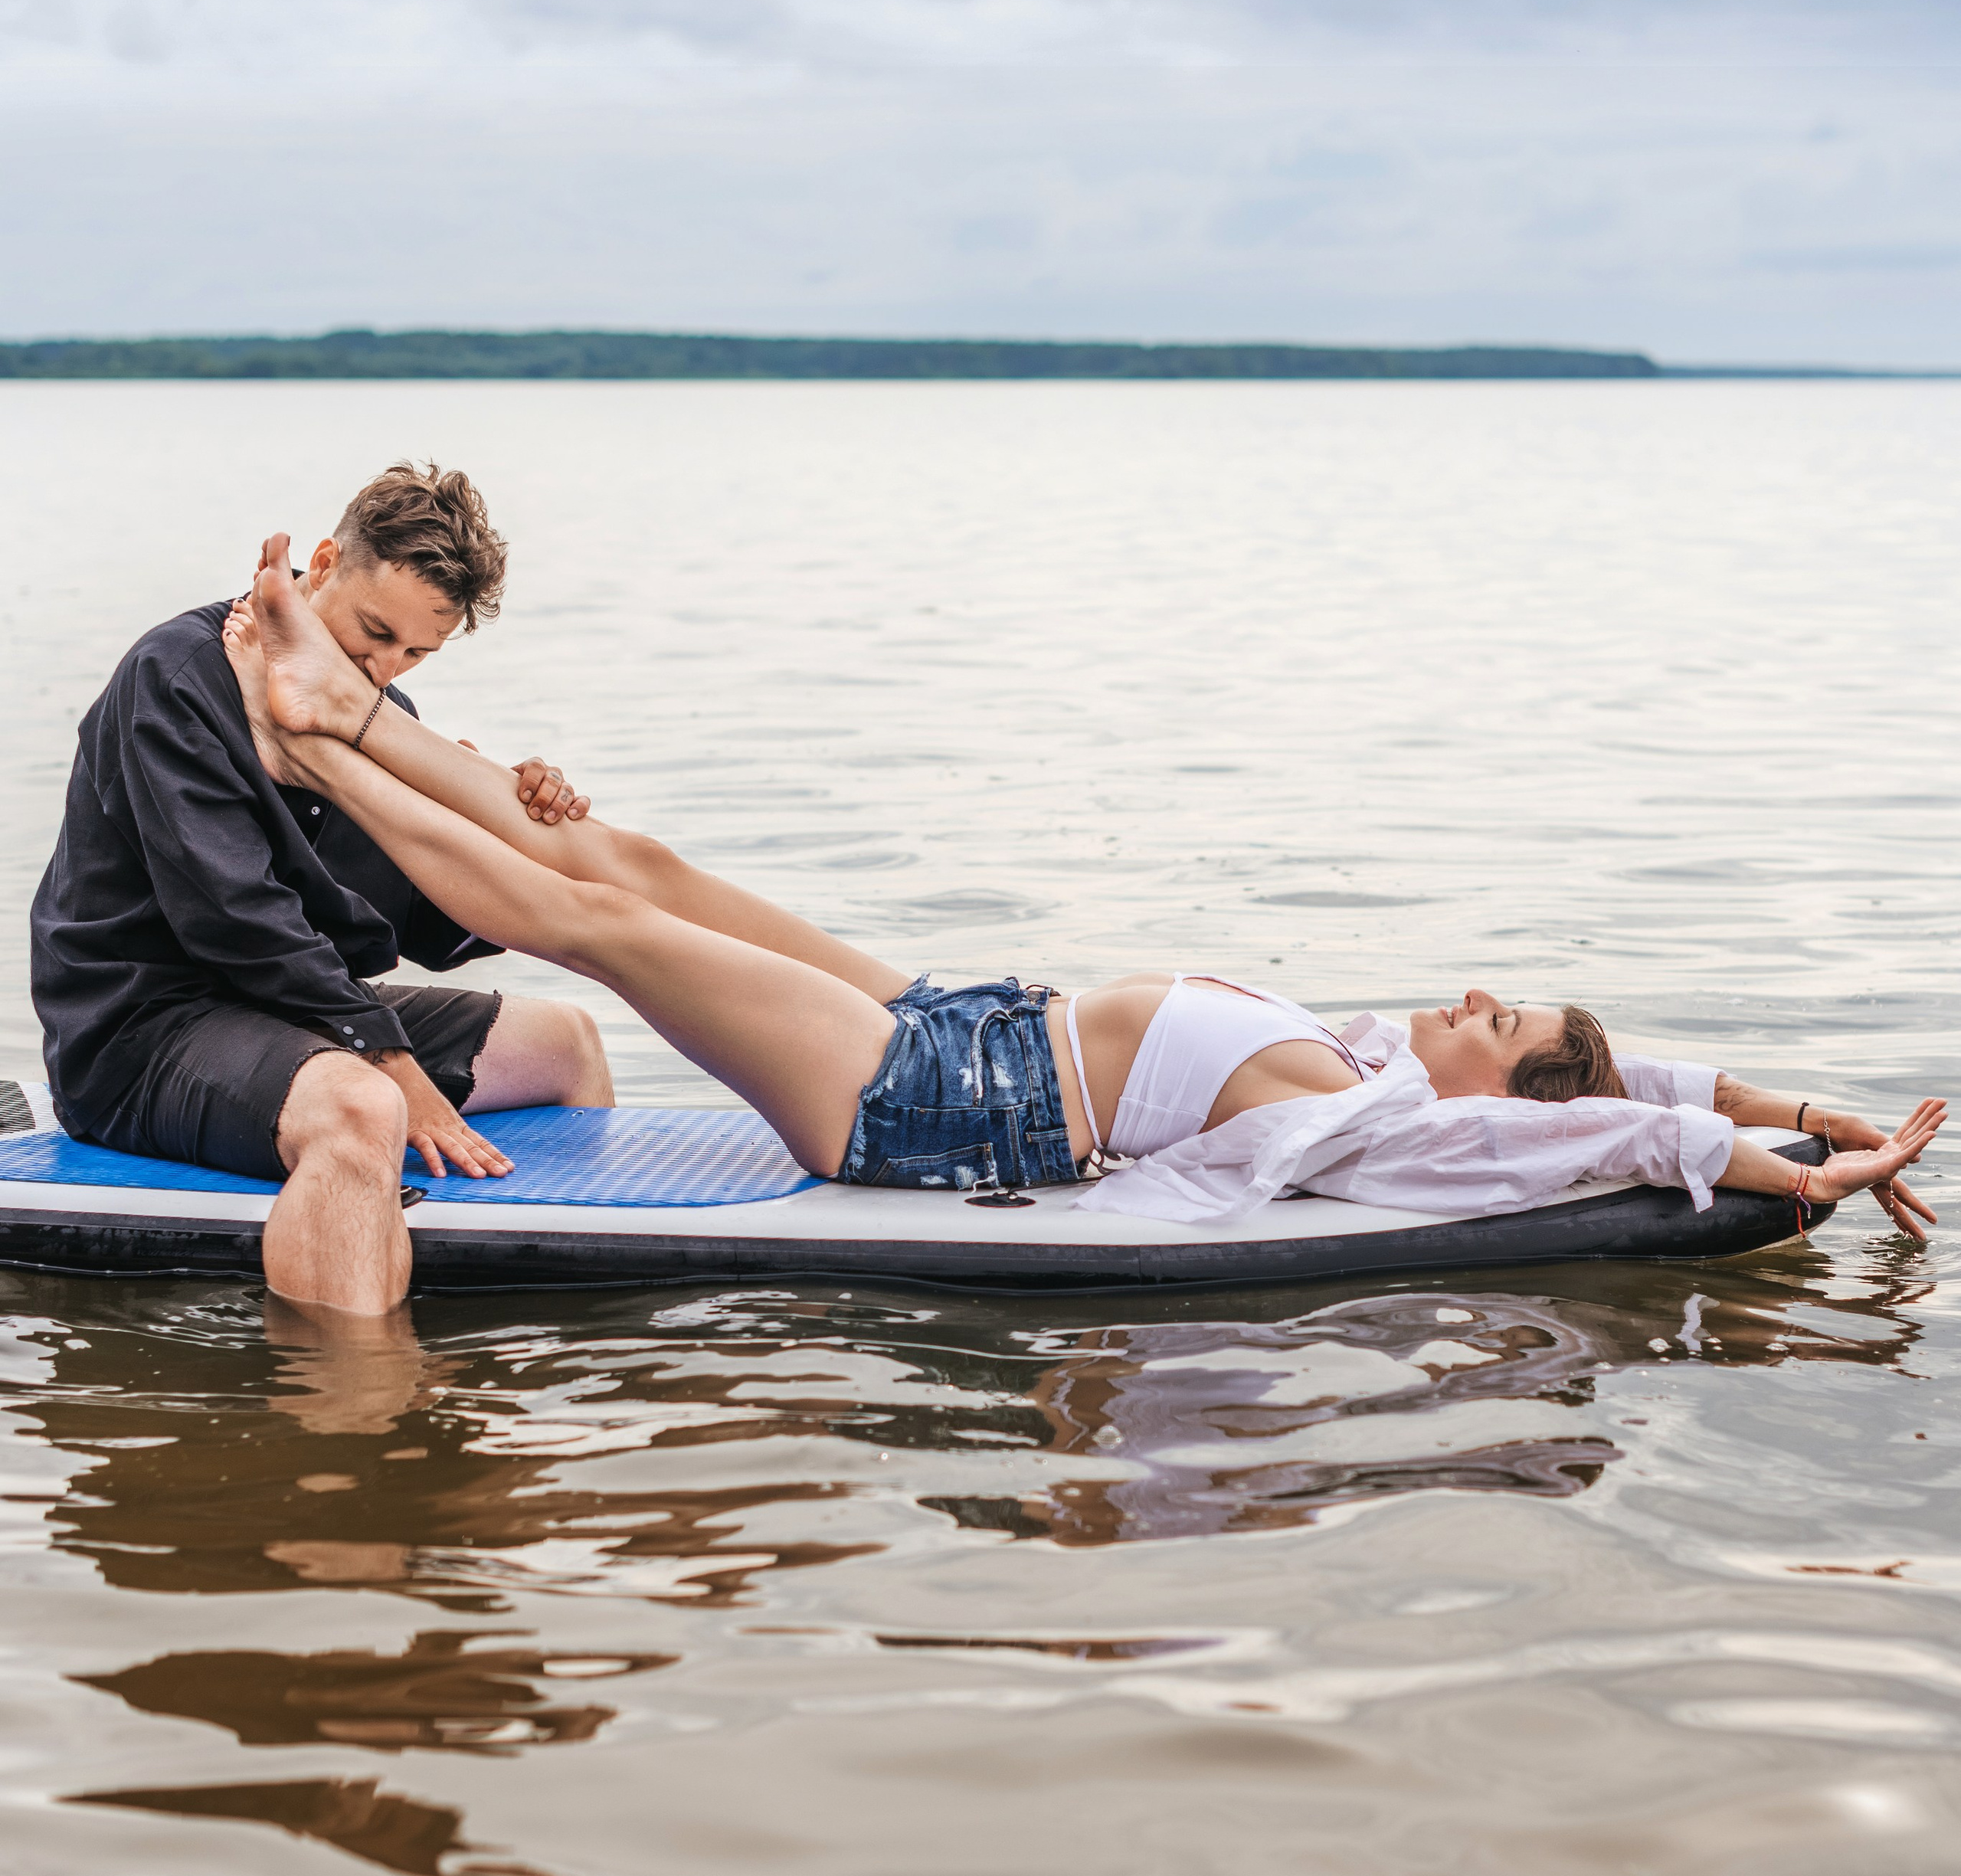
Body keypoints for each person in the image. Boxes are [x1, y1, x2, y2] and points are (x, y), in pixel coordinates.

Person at [218, 536, 1945, 1315]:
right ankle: (358, 715)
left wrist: (1766, 1178)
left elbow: (1581, 1131)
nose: (1464, 999)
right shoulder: (1370, 1052)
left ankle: (320, 722)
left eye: (1485, 1024)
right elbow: (1620, 1072)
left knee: (582, 917)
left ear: (1485, 1091)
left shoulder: (1390, 1125)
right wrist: (1788, 1103)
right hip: (969, 1020)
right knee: (634, 857)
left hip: (934, 1104)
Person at [31, 464, 614, 1314]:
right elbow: (236, 916)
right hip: (138, 1030)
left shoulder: (381, 713)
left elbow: (431, 925)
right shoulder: (177, 678)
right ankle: (350, 1409)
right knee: (363, 1105)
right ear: (327, 560)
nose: (381, 670)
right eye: (373, 634)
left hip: (296, 1014)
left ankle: (568, 1310)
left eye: (414, 653)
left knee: (565, 1039)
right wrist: (385, 1054)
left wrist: (505, 814)